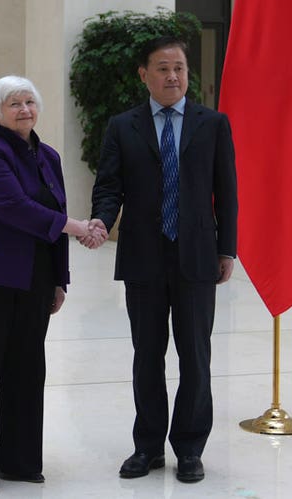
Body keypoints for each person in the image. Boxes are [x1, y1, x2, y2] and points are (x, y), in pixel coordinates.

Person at [86, 36, 238, 484]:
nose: (173, 76)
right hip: (143, 257)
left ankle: (190, 448)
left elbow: (226, 192)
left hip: (195, 256)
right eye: (163, 68)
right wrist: (100, 220)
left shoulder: (212, 124)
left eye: (180, 68)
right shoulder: (122, 126)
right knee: (146, 354)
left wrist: (226, 247)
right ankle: (148, 446)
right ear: (143, 74)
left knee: (195, 354)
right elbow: (109, 185)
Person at [0, 75, 95, 494]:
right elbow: (14, 208)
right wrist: (77, 227)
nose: (24, 109)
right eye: (14, 103)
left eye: (30, 101)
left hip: (32, 281)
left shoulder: (48, 155)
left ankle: (21, 461)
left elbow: (54, 212)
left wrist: (59, 280)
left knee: (27, 372)